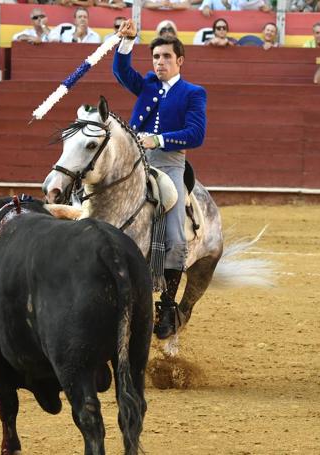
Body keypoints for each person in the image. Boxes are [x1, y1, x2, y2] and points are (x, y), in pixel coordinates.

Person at [113, 19, 207, 340]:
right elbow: (122, 73)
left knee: (176, 237)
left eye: (166, 57)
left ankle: (166, 304)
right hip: (135, 161)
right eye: (156, 58)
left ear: (179, 60)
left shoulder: (193, 93)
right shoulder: (149, 85)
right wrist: (126, 43)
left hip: (169, 165)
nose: (160, 63)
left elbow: (196, 134)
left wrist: (159, 140)